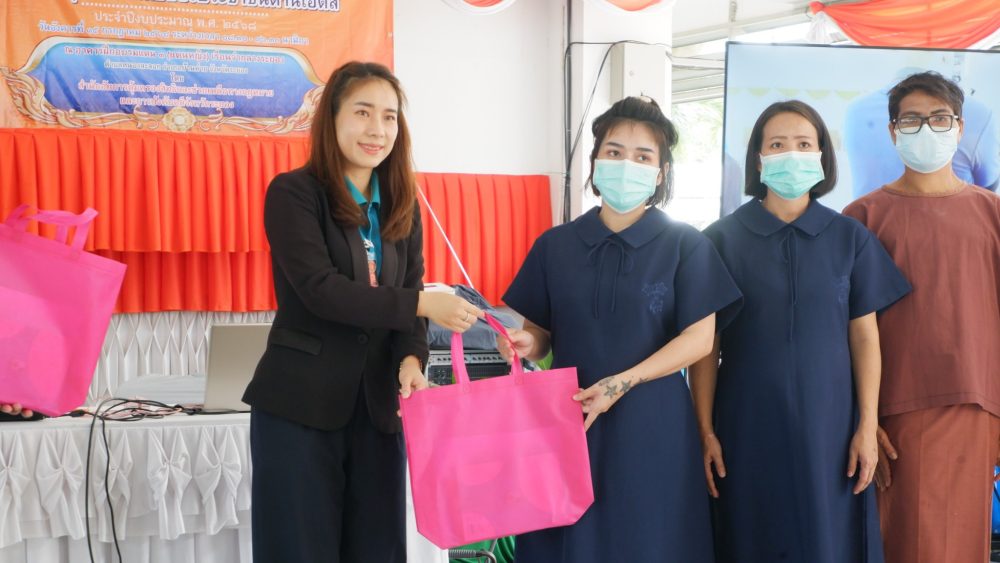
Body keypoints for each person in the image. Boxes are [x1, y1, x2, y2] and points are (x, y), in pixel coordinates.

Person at [241, 61, 484, 563]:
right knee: (298, 549)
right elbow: (322, 291)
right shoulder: (293, 193)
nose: (378, 129)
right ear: (331, 118)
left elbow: (409, 293)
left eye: (390, 117)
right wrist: (421, 304)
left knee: (378, 549)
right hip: (300, 408)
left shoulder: (402, 205)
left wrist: (412, 360)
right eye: (363, 112)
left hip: (378, 411)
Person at [497, 96, 742, 563]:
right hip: (568, 419)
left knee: (650, 540)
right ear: (595, 161)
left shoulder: (685, 245)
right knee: (569, 541)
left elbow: (699, 340)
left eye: (643, 156)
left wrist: (623, 382)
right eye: (614, 152)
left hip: (652, 426)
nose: (627, 164)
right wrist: (527, 343)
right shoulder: (555, 245)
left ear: (661, 173)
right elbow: (540, 333)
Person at [691, 100, 910, 563]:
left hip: (831, 427)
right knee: (750, 534)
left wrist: (866, 425)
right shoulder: (720, 239)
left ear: (822, 155)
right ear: (758, 159)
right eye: (777, 144)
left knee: (829, 538)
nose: (791, 153)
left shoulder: (850, 237)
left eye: (804, 144)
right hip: (746, 423)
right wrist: (704, 429)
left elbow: (865, 338)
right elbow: (706, 348)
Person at [843, 71, 1000, 563]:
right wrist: (863, 418)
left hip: (976, 405)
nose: (926, 129)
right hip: (893, 412)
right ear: (893, 131)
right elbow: (843, 331)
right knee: (901, 541)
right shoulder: (863, 218)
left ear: (960, 127)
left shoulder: (992, 214)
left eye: (939, 118)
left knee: (962, 543)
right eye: (912, 120)